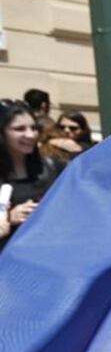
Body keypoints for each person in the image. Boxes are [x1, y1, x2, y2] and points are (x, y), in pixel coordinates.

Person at [1, 99, 65, 252]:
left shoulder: (53, 167)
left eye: (34, 128)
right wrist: (10, 217)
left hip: (49, 254)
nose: (30, 135)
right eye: (19, 129)